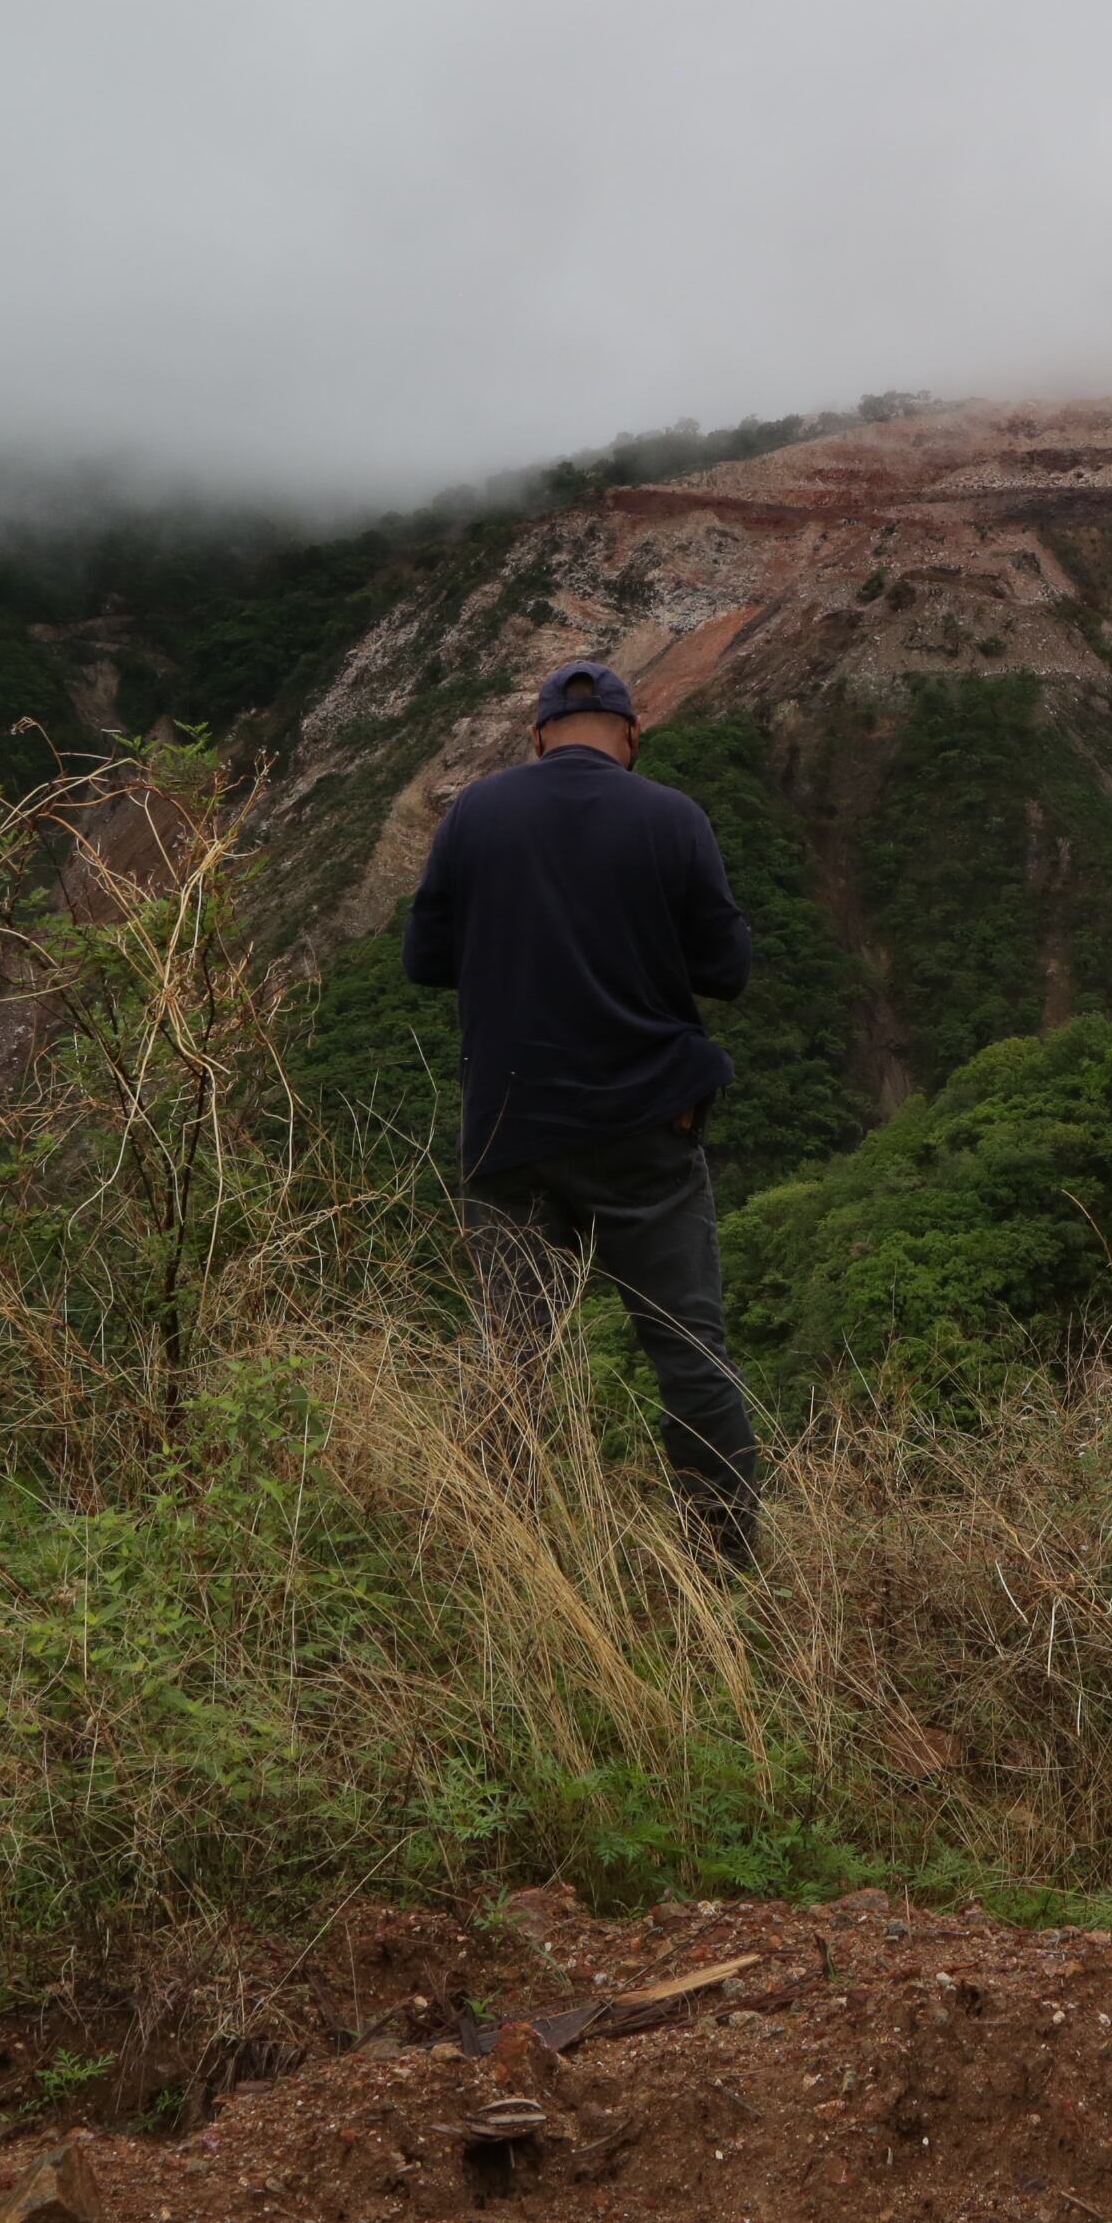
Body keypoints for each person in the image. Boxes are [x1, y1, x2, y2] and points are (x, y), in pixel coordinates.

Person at [403, 660, 766, 1563]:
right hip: (645, 1125)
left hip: (508, 1130)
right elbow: (730, 972)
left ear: (536, 736)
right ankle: (723, 1568)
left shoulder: (475, 813)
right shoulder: (671, 816)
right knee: (689, 1349)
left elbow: (423, 960)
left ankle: (503, 1569)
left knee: (512, 1356)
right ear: (631, 737)